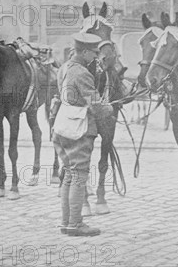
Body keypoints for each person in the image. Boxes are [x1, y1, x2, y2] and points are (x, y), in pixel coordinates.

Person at [53, 32, 115, 237]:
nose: (96, 56)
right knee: (79, 175)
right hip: (78, 130)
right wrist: (110, 109)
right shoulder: (82, 73)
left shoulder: (65, 68)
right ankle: (76, 224)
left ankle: (66, 222)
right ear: (86, 51)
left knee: (69, 175)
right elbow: (95, 105)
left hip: (62, 126)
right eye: (94, 52)